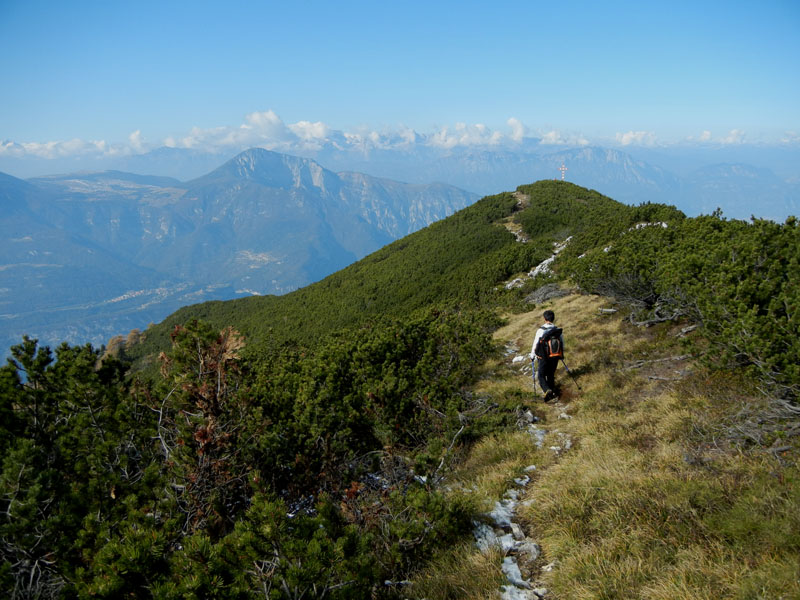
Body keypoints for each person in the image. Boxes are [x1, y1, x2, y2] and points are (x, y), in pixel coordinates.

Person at [530, 310, 563, 401]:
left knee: (541, 375)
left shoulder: (540, 330)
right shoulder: (557, 331)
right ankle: (552, 392)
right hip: (555, 355)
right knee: (551, 374)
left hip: (543, 356)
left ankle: (547, 390)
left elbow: (536, 343)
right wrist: (560, 355)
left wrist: (532, 355)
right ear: (553, 318)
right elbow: (562, 343)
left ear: (544, 319)